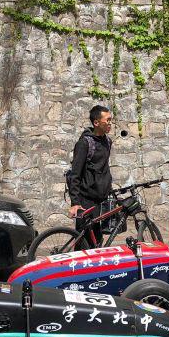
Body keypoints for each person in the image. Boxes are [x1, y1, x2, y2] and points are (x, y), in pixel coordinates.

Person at [67, 105, 114, 248]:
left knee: (97, 240)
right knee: (83, 241)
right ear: (96, 122)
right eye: (107, 120)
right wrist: (75, 203)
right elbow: (75, 174)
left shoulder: (107, 142)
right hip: (86, 200)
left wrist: (109, 190)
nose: (110, 123)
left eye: (111, 120)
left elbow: (104, 169)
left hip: (102, 199)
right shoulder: (84, 143)